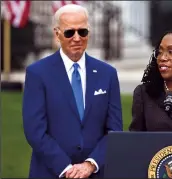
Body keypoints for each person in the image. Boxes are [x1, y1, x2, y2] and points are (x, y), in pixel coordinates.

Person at [22, 4, 123, 178]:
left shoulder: (108, 74)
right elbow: (35, 130)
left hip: (95, 173)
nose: (77, 38)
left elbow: (114, 129)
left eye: (82, 32)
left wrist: (90, 165)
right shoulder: (37, 73)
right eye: (70, 32)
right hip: (51, 172)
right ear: (57, 34)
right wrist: (66, 168)